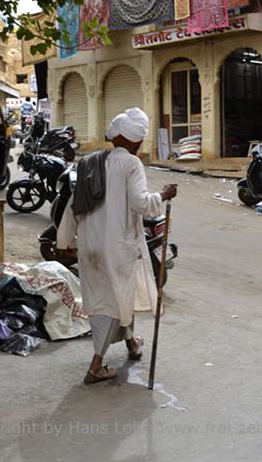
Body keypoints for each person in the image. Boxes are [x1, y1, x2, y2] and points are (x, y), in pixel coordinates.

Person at [57, 107, 177, 384]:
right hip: (117, 247)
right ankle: (96, 366)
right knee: (112, 303)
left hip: (90, 245)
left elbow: (73, 207)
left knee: (117, 296)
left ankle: (132, 343)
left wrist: (65, 240)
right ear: (135, 140)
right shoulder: (131, 164)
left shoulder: (89, 161)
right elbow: (142, 205)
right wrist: (164, 194)